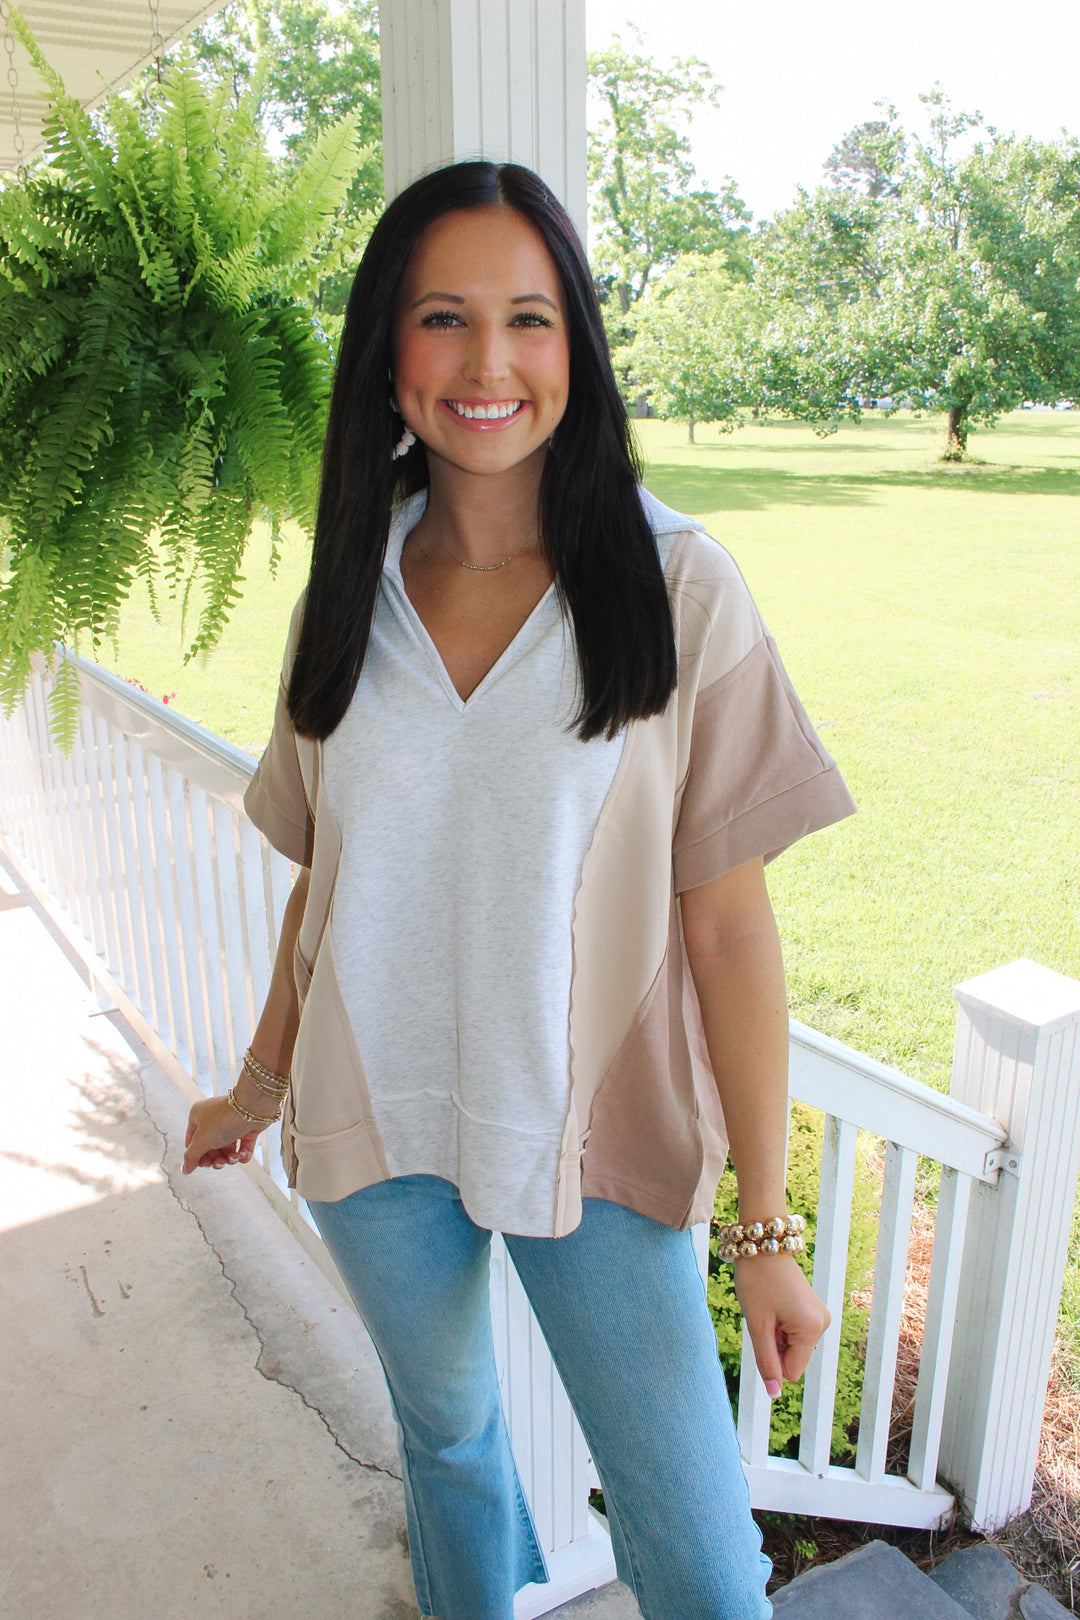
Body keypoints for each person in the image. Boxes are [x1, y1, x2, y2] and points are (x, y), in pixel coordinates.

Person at [182, 160, 855, 1620]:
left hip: (594, 1148)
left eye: (529, 320)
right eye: (443, 318)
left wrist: (764, 1229)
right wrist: (254, 1084)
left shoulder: (678, 587)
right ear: (389, 349)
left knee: (694, 1552)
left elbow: (730, 928)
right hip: (376, 1134)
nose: (488, 365)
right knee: (451, 1452)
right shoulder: (347, 586)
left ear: (577, 347)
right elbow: (329, 881)